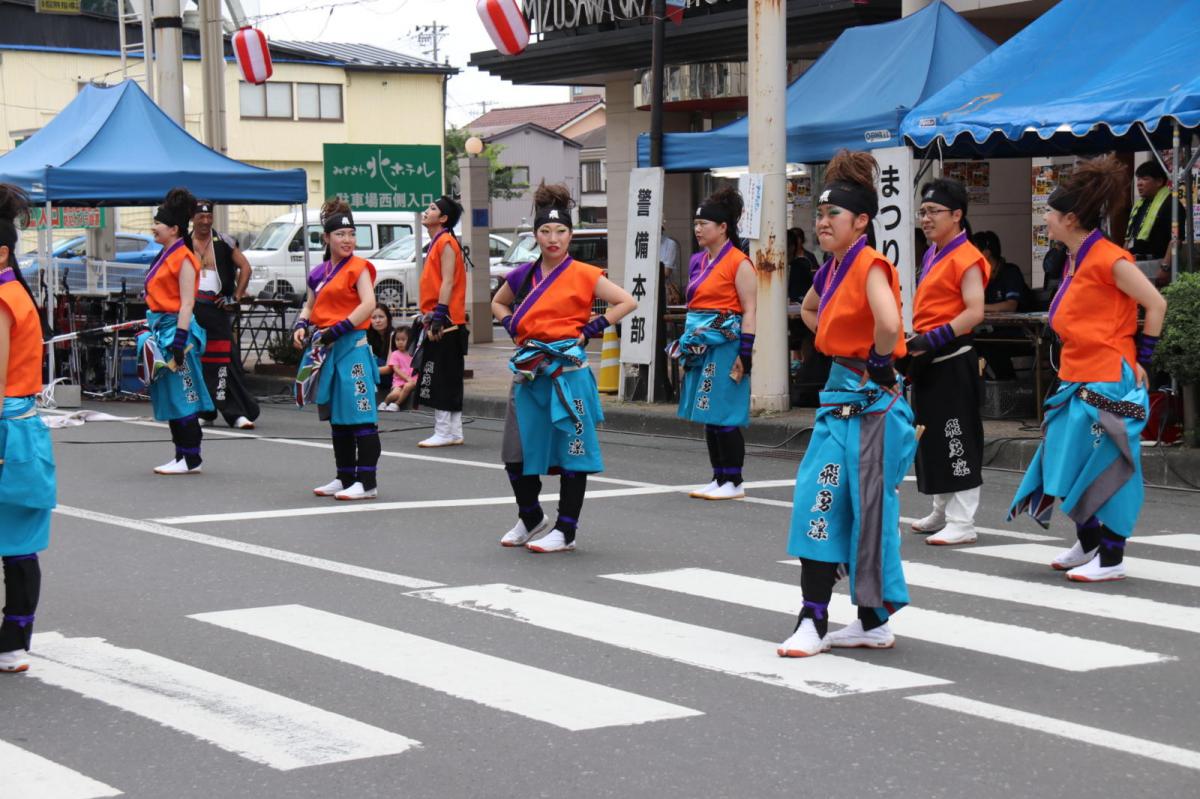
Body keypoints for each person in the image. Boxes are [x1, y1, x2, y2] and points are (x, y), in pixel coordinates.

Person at [778, 150, 916, 657]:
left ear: (861, 221)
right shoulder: (832, 268)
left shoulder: (869, 263)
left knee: (843, 504)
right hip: (841, 400)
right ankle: (860, 620)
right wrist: (835, 339)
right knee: (829, 502)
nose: (822, 221)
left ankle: (823, 620)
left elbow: (888, 322)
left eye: (832, 214)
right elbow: (810, 309)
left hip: (870, 407)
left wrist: (877, 362)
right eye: (819, 213)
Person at [1010, 154, 1167, 582]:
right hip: (1078, 374)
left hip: (1107, 377)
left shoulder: (1111, 258)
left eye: (1050, 213)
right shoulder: (1075, 257)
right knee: (1068, 459)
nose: (1045, 219)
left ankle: (1112, 557)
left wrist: (1142, 359)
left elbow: (1155, 303)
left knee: (1105, 463)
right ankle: (1089, 540)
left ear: (1071, 218)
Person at [490, 183, 637, 553]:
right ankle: (530, 516)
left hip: (568, 375)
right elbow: (498, 303)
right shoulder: (522, 274)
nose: (553, 238)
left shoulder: (586, 273)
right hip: (529, 373)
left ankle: (566, 530)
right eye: (545, 231)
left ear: (571, 234)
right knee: (516, 453)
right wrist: (510, 325)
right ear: (535, 235)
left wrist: (592, 330)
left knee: (574, 453)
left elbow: (625, 301)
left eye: (560, 231)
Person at [905, 178, 989, 546]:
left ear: (957, 215)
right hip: (928, 358)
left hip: (952, 356)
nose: (925, 218)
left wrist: (933, 338)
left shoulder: (968, 256)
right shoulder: (933, 252)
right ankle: (942, 508)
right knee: (931, 435)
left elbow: (974, 312)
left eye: (933, 212)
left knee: (957, 436)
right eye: (922, 211)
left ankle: (963, 520)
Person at [0, 184, 56, 673]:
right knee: (18, 542)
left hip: (5, 426)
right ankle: (14, 640)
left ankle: (12, 641)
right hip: (22, 428)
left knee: (15, 542)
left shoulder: (2, 296)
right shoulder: (18, 292)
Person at [292, 199, 381, 501]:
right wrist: (301, 324)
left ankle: (367, 482)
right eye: (341, 235)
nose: (347, 240)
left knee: (361, 415)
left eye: (352, 235)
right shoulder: (319, 272)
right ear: (327, 238)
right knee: (338, 416)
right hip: (327, 349)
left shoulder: (360, 268)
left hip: (351, 347)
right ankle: (344, 477)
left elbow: (368, 304)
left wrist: (340, 327)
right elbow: (310, 304)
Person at [676, 188, 758, 500]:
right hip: (701, 342)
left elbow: (749, 309)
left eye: (704, 224)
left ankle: (734, 480)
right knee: (708, 411)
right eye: (696, 223)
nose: (698, 229)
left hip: (726, 344)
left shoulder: (740, 262)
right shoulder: (699, 261)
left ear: (723, 227)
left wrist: (746, 353)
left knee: (724, 412)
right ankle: (718, 475)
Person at [137, 187, 214, 475]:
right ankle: (180, 453)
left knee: (184, 394)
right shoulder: (165, 253)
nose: (153, 227)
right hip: (162, 328)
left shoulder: (183, 258)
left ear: (174, 229)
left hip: (177, 332)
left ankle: (191, 456)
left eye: (158, 223)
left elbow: (187, 304)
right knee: (170, 394)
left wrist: (180, 340)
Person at [188, 200, 259, 431]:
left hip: (217, 309)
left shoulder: (224, 241)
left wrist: (235, 297)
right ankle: (205, 411)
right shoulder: (183, 243)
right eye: (201, 217)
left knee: (224, 363)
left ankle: (235, 413)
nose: (206, 222)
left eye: (209, 217)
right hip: (191, 310)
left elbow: (246, 267)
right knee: (195, 361)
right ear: (193, 218)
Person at [415, 196, 468, 447]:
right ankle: (453, 430)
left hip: (446, 319)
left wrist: (439, 315)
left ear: (443, 219)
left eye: (433, 209)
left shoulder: (446, 242)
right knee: (448, 374)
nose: (426, 211)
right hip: (443, 317)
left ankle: (444, 430)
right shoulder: (438, 242)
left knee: (441, 375)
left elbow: (448, 281)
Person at [974, 230, 1031, 380]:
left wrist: (979, 308)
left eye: (973, 250)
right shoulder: (980, 276)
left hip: (1019, 334)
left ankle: (1009, 390)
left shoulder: (1010, 272)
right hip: (992, 331)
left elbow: (1010, 306)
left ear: (985, 253)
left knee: (991, 347)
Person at [1124, 160, 1186, 287]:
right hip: (1134, 262)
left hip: (1156, 264)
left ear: (1159, 181)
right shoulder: (1140, 205)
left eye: (1145, 179)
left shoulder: (1172, 205)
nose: (1139, 184)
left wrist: (1165, 267)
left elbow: (1176, 239)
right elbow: (1129, 236)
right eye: (1138, 179)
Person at [380, 327, 416, 411]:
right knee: (395, 394)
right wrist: (407, 378)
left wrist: (410, 379)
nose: (400, 342)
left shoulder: (414, 353)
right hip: (399, 381)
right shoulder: (395, 354)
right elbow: (396, 369)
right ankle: (385, 402)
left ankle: (396, 404)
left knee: (408, 386)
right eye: (397, 339)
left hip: (413, 379)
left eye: (403, 339)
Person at [366, 304, 394, 406]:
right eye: (373, 318)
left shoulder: (393, 335)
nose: (377, 321)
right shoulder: (368, 336)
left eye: (381, 317)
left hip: (391, 377)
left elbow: (390, 368)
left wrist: (366, 371)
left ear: (388, 318)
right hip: (375, 374)